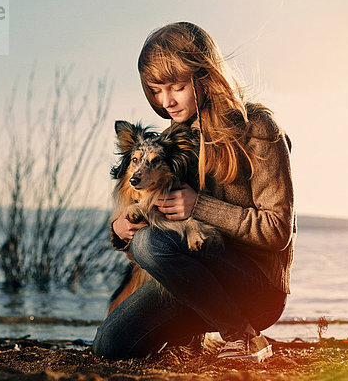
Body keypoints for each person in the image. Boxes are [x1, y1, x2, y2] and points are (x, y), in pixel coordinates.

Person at [93, 22, 295, 361]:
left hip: (256, 289)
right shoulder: (171, 141)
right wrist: (119, 229)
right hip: (192, 284)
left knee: (150, 244)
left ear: (204, 76)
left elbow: (277, 231)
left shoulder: (258, 130)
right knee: (109, 347)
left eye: (176, 87)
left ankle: (241, 335)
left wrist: (198, 205)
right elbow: (155, 222)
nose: (166, 101)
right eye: (156, 90)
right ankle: (194, 333)